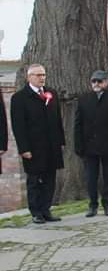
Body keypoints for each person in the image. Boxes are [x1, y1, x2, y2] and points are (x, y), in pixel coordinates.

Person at [10, 64, 65, 224]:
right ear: (29, 77)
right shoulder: (20, 98)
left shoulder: (51, 94)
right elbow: (18, 126)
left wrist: (60, 141)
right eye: (38, 75)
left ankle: (46, 209)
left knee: (50, 179)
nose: (42, 78)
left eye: (44, 75)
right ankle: (36, 212)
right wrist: (24, 148)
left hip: (51, 146)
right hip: (33, 147)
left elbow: (57, 119)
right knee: (34, 180)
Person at [73, 70, 108, 217]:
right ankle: (92, 204)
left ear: (106, 82)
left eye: (99, 81)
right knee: (91, 177)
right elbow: (78, 124)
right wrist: (78, 145)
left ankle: (107, 204)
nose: (96, 84)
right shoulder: (84, 99)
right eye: (93, 81)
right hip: (89, 146)